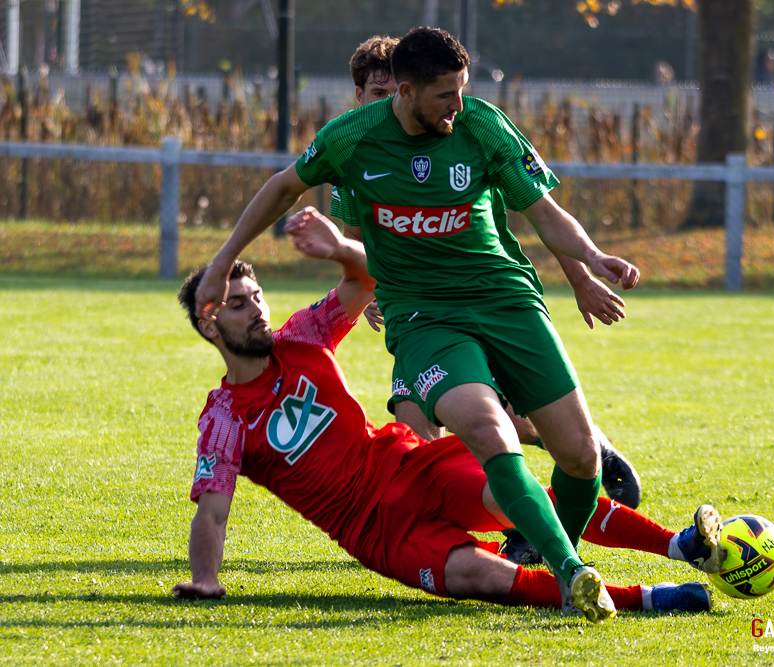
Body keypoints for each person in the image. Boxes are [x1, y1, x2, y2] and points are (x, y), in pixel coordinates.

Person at [195, 27, 642, 622]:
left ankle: (556, 549)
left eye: (462, 92)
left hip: (506, 301)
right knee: (487, 431)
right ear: (403, 92)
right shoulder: (352, 140)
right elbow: (283, 189)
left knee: (581, 457)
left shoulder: (482, 125)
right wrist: (223, 262)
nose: (457, 107)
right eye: (444, 96)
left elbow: (544, 213)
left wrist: (590, 261)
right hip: (424, 316)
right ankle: (570, 574)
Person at [172, 209, 726, 620]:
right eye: (239, 303)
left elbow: (368, 280)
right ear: (209, 324)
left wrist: (340, 246)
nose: (258, 309)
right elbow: (213, 511)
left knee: (513, 498)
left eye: (258, 295)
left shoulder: (302, 337)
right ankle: (650, 600)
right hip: (374, 532)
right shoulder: (222, 418)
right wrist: (205, 580)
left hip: (410, 466)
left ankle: (679, 545)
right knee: (480, 577)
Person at [333, 34, 642, 565]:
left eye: (389, 87)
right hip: (417, 315)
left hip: (487, 299)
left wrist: (582, 275)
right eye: (373, 90)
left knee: (496, 424)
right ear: (360, 93)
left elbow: (539, 214)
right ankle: (470, 536)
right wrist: (371, 288)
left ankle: (540, 517)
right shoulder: (356, 151)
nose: (382, 99)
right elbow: (359, 243)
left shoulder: (465, 130)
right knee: (426, 433)